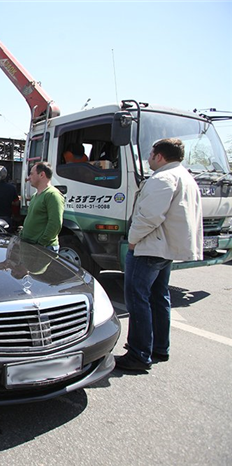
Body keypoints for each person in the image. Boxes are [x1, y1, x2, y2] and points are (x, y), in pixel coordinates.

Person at [115, 138, 202, 372]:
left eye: (151, 154)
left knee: (137, 299)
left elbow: (149, 216)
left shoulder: (163, 178)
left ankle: (138, 354)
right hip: (165, 249)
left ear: (160, 156)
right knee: (158, 297)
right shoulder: (185, 176)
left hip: (149, 247)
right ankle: (159, 348)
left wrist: (132, 240)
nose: (149, 158)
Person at [19, 162, 64, 252]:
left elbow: (55, 223)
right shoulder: (35, 195)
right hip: (31, 246)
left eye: (31, 174)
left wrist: (41, 243)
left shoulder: (53, 195)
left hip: (43, 248)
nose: (28, 178)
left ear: (42, 175)